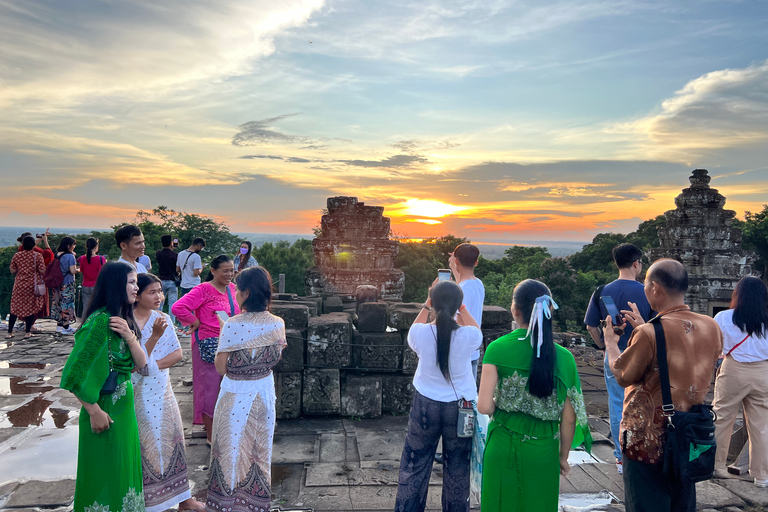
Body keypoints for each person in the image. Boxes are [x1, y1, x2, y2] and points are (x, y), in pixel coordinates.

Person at [604, 259, 722, 512]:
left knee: (646, 503)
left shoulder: (650, 333)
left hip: (647, 441)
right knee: (681, 502)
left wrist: (611, 343)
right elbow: (686, 353)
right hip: (689, 433)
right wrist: (646, 331)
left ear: (655, 288)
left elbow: (623, 375)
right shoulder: (711, 326)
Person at [478, 279, 591, 511]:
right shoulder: (565, 358)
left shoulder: (497, 348)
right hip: (544, 450)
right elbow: (570, 418)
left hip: (502, 443)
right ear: (550, 311)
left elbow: (484, 406)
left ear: (514, 309)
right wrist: (562, 457)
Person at [60, 262, 148, 512]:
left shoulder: (123, 321)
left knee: (124, 470)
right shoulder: (100, 322)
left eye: (136, 282)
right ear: (115, 285)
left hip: (124, 411)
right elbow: (74, 374)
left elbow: (141, 364)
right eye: (131, 282)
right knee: (102, 473)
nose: (136, 287)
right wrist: (94, 411)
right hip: (104, 411)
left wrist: (131, 337)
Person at [394, 280, 482, 512]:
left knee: (415, 464)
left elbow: (414, 330)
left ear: (432, 303)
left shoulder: (420, 333)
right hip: (460, 408)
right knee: (458, 468)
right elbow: (477, 331)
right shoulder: (468, 336)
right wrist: (461, 307)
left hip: (425, 405)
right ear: (459, 305)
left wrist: (427, 302)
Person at [207, 266, 286, 510]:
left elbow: (221, 368)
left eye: (238, 289)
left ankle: (227, 503)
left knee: (230, 449)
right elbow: (276, 356)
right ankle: (255, 503)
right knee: (258, 450)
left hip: (235, 393)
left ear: (247, 293)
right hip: (263, 392)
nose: (236, 293)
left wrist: (224, 332)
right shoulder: (277, 323)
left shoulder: (232, 324)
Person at [131, 274, 205, 512]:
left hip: (161, 388)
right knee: (145, 444)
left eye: (160, 291)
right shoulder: (125, 321)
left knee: (173, 441)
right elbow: (131, 364)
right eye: (152, 292)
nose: (159, 297)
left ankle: (183, 498)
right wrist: (144, 365)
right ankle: (151, 501)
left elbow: (177, 354)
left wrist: (151, 366)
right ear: (137, 294)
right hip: (136, 391)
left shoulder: (162, 318)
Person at [583, 243, 652, 474]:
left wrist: (605, 345)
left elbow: (591, 325)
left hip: (614, 355)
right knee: (645, 402)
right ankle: (644, 449)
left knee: (616, 404)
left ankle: (621, 456)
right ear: (636, 263)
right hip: (643, 355)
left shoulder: (602, 290)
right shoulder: (648, 291)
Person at [172, 255, 239, 444]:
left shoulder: (233, 289)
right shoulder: (203, 290)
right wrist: (195, 321)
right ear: (213, 271)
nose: (229, 274)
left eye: (231, 270)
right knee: (210, 389)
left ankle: (223, 428)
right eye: (225, 270)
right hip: (208, 343)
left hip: (229, 343)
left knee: (227, 387)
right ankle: (211, 435)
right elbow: (179, 307)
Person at [712, 276, 768, 487]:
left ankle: (716, 466)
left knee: (722, 417)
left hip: (733, 368)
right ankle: (761, 475)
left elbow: (716, 347)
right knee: (761, 425)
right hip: (763, 371)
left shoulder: (723, 317)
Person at [7, 236, 46, 339]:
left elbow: (12, 270)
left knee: (15, 308)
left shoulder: (17, 255)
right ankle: (27, 332)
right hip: (32, 285)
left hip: (19, 285)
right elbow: (42, 270)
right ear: (34, 245)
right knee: (30, 307)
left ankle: (9, 332)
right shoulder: (37, 256)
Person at [17, 230, 54, 329]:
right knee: (35, 303)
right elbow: (49, 255)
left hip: (23, 281)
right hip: (36, 280)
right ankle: (30, 326)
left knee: (25, 302)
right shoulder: (37, 253)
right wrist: (45, 241)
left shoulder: (20, 251)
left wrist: (38, 240)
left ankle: (27, 324)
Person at [52, 236, 79, 334]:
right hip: (67, 283)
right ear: (69, 245)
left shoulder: (57, 254)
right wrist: (78, 269)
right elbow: (72, 270)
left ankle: (59, 326)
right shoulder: (70, 256)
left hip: (57, 283)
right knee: (67, 304)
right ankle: (66, 327)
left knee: (59, 303)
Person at [155, 234, 179, 326]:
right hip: (172, 281)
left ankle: (157, 322)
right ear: (171, 243)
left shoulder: (159, 253)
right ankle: (171, 323)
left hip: (161, 280)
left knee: (159, 303)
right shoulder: (175, 255)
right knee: (172, 304)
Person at [78, 237, 106, 316]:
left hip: (86, 285)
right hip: (97, 285)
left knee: (86, 307)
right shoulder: (100, 258)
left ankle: (84, 324)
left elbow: (82, 270)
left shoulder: (82, 258)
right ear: (96, 247)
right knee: (98, 307)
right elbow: (103, 273)